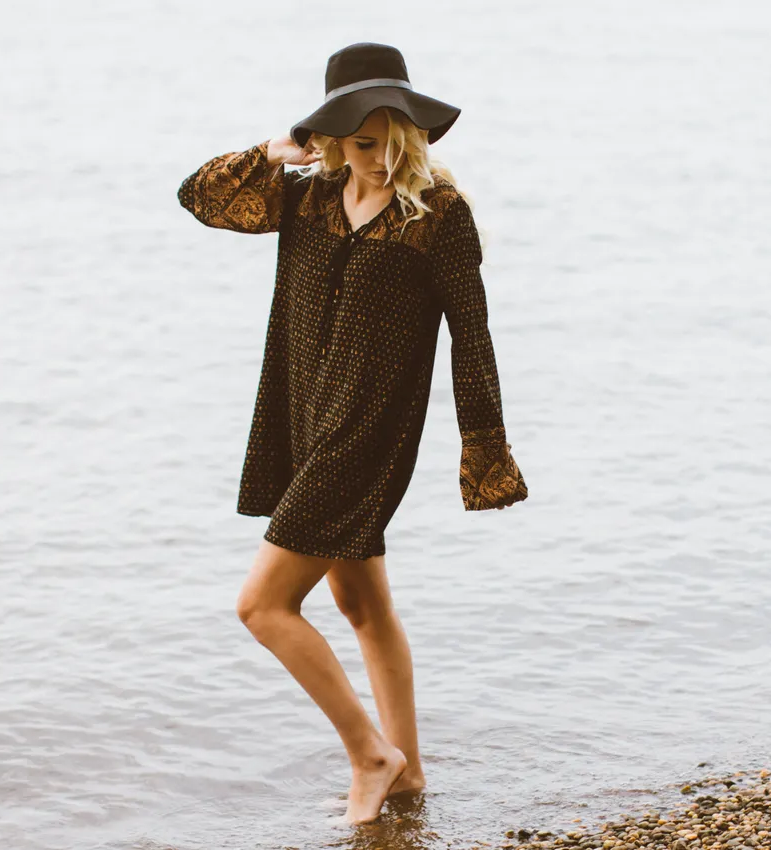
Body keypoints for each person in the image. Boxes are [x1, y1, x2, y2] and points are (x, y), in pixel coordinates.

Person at [176, 42, 528, 825]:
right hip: (303, 422)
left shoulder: (438, 217)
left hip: (365, 437)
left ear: (414, 135)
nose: (380, 158)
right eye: (362, 142)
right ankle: (408, 774)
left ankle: (370, 755)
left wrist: (484, 451)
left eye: (393, 140)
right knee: (361, 603)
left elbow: (473, 337)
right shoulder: (304, 197)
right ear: (332, 138)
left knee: (262, 607)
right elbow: (197, 197)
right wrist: (273, 151)